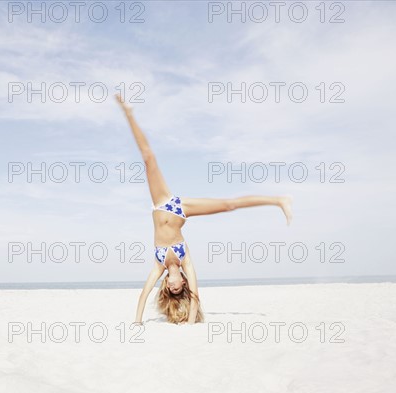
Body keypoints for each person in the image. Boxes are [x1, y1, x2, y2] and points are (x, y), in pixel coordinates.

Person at [115, 94, 293, 324]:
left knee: (148, 158)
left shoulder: (159, 265)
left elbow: (143, 294)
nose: (171, 286)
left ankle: (128, 112)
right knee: (228, 205)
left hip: (162, 204)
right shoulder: (184, 259)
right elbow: (196, 297)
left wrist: (137, 321)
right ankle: (278, 200)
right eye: (177, 289)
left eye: (170, 288)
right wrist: (190, 322)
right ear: (183, 284)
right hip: (181, 209)